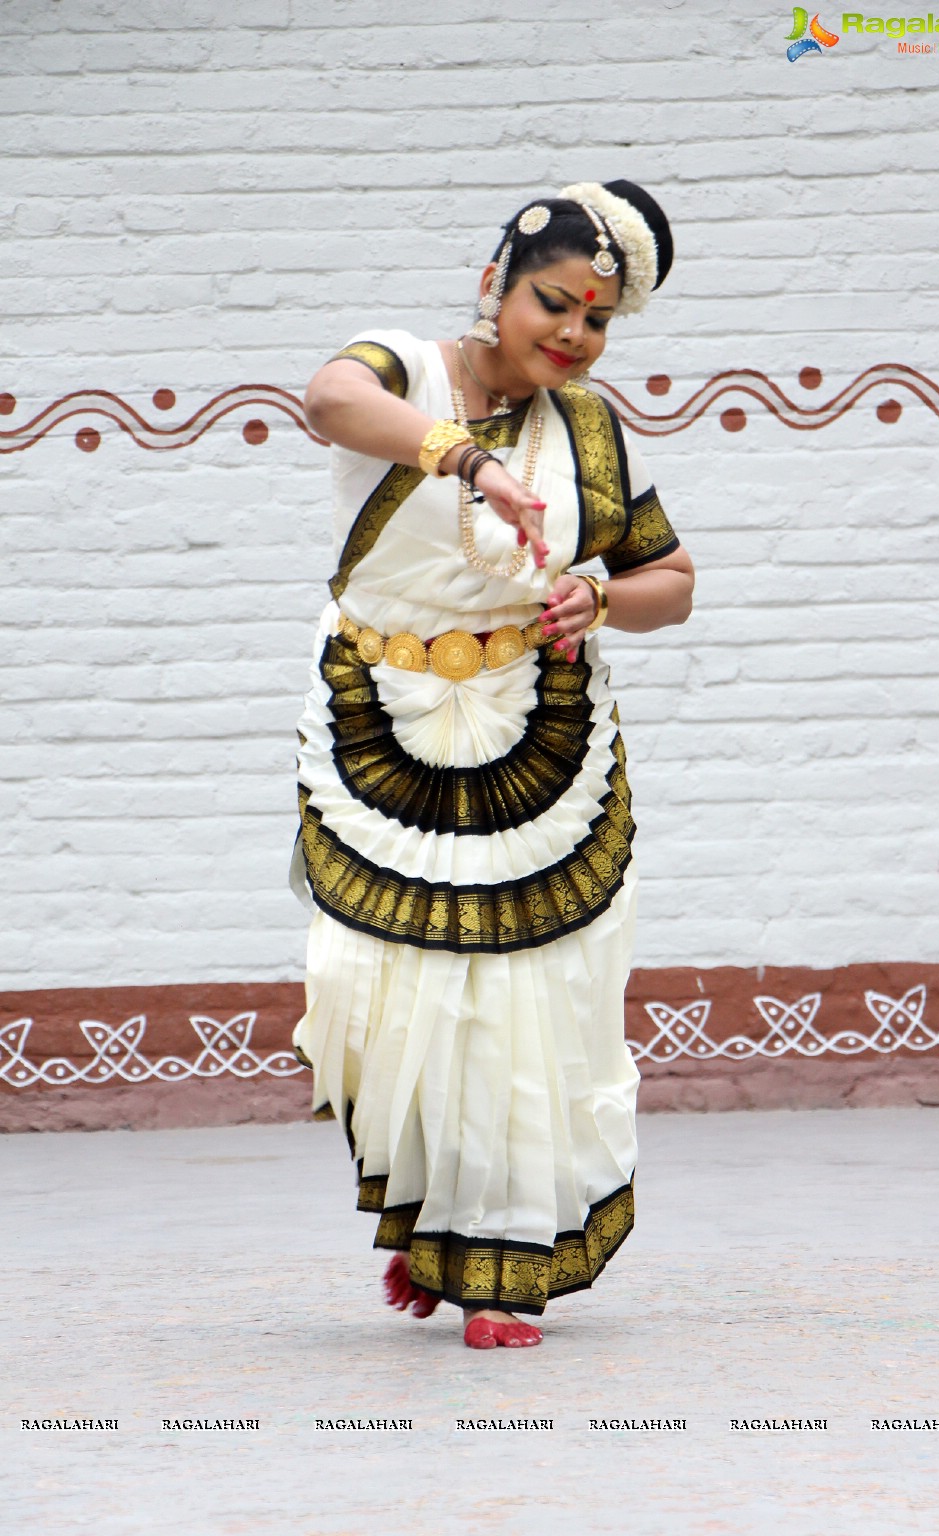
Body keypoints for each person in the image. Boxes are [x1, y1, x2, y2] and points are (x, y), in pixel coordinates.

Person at [292, 180, 695, 1350]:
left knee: (529, 998)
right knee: (388, 992)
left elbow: (675, 582)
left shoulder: (590, 430)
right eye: (553, 304)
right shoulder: (406, 370)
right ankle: (434, 1218)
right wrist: (465, 463)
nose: (572, 336)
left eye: (596, 322)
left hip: (535, 727)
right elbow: (327, 399)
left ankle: (496, 1262)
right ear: (496, 286)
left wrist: (603, 594)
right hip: (383, 719)